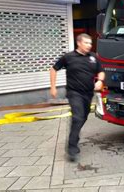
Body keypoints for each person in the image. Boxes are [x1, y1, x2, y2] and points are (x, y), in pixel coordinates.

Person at [50, 33, 105, 161]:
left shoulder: (93, 57)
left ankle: (74, 134)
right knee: (77, 117)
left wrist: (100, 81)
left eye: (90, 43)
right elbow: (53, 69)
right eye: (86, 43)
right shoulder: (68, 57)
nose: (89, 45)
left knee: (83, 117)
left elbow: (101, 71)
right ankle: (72, 148)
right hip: (74, 93)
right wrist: (53, 87)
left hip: (88, 93)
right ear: (79, 43)